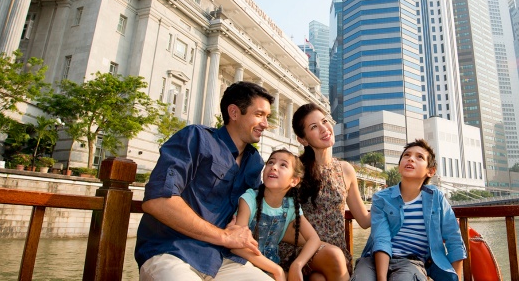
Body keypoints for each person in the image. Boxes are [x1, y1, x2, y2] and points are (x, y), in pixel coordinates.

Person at [135, 81, 275, 281]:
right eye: (259, 114)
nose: (265, 124)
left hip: (221, 260)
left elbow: (252, 210)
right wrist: (225, 237)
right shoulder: (196, 137)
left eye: (267, 117)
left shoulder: (254, 162)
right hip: (172, 252)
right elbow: (158, 200)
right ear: (234, 113)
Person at [279, 103, 371, 281]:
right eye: (314, 127)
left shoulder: (346, 169)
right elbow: (279, 220)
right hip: (301, 249)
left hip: (334, 253)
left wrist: (395, 201)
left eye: (324, 121)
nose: (324, 129)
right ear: (303, 139)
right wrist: (318, 245)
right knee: (332, 259)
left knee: (318, 279)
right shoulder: (294, 170)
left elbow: (364, 220)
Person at [351, 139, 466, 281]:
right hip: (374, 260)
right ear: (399, 167)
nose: (411, 158)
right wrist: (382, 279)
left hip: (412, 262)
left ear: (430, 171)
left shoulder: (436, 198)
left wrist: (456, 278)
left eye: (420, 157)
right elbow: (382, 239)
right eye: (406, 155)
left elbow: (454, 239)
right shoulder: (382, 198)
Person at [229, 147, 321, 281]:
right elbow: (236, 245)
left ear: (294, 181)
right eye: (270, 162)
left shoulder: (290, 206)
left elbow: (314, 239)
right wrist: (277, 270)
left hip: (270, 266)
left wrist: (297, 264)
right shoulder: (249, 199)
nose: (274, 167)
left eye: (283, 165)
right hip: (243, 264)